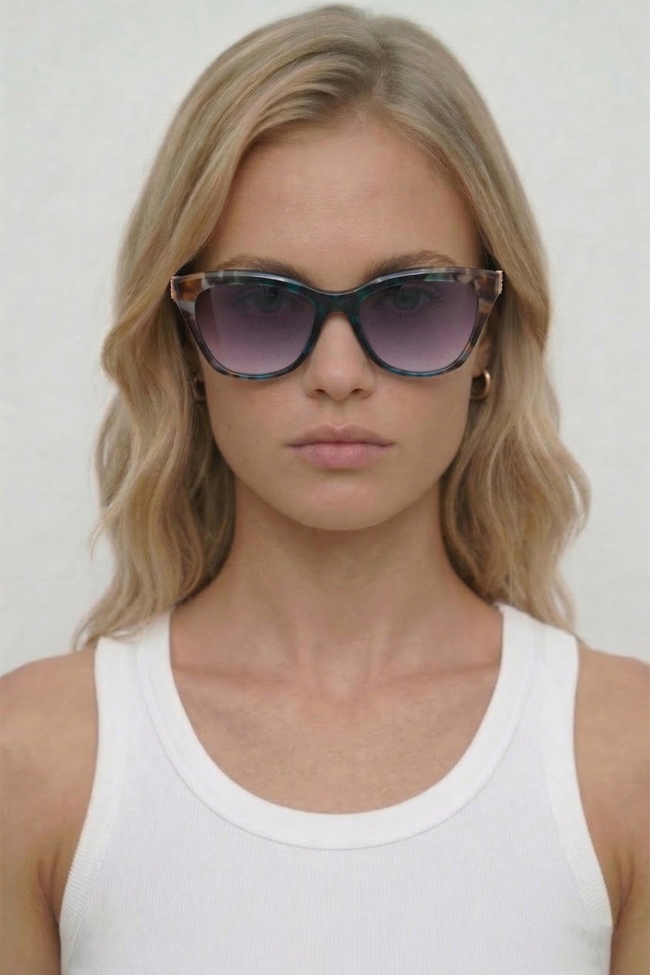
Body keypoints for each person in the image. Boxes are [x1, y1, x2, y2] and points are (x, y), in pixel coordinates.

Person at [2, 4, 647, 973]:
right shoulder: (33, 760)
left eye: (410, 301)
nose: (338, 374)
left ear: (487, 335)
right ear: (183, 341)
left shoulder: (626, 760)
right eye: (262, 302)